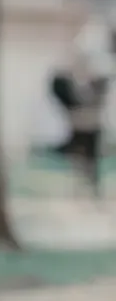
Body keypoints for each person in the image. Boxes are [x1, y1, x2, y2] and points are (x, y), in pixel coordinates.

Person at [52, 18, 113, 194]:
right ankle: (85, 186)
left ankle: (90, 186)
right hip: (82, 120)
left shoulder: (98, 73)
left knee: (88, 158)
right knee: (82, 156)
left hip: (90, 121)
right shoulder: (77, 73)